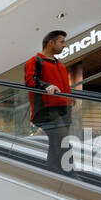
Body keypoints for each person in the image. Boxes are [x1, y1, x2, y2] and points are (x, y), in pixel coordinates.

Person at [25, 30, 73, 176]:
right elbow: (30, 81)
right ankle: (71, 175)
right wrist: (46, 86)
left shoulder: (61, 66)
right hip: (46, 110)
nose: (64, 45)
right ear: (51, 43)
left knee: (55, 143)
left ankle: (51, 173)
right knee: (64, 142)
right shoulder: (35, 61)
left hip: (64, 110)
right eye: (62, 42)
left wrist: (70, 104)